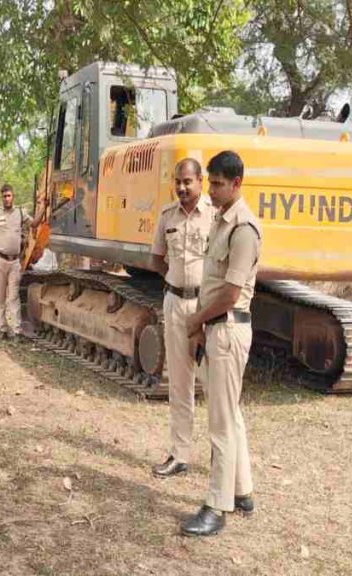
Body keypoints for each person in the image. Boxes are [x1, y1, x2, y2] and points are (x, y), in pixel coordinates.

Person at [180, 150, 261, 537]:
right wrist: (200, 326)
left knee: (221, 424)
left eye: (217, 183)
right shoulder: (221, 221)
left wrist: (194, 320)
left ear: (236, 184)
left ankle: (217, 506)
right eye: (209, 182)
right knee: (231, 415)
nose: (210, 190)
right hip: (215, 328)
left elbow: (229, 293)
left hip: (228, 328)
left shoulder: (243, 228)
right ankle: (242, 491)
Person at [148, 158, 215, 478]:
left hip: (207, 308)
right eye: (177, 182)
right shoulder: (166, 216)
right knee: (179, 382)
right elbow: (157, 259)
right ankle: (180, 453)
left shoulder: (215, 217)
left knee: (214, 384)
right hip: (175, 303)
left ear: (200, 182)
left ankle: (221, 455)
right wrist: (176, 284)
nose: (182, 187)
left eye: (188, 181)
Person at [0, 184, 31, 339]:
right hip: (0, 260)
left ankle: (17, 330)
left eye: (9, 195)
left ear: (13, 196)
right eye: (4, 196)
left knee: (14, 296)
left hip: (15, 262)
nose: (7, 198)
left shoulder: (21, 213)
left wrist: (44, 207)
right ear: (1, 198)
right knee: (1, 296)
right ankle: (3, 328)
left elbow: (34, 223)